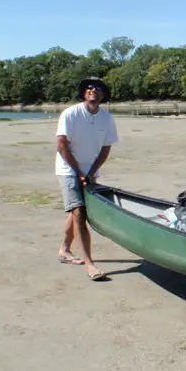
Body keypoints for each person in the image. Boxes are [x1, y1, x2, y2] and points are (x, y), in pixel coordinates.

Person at [55, 77, 119, 280]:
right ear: (84, 93)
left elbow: (106, 148)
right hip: (67, 169)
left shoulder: (107, 119)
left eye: (98, 88)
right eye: (89, 87)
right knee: (79, 212)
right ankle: (90, 264)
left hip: (90, 171)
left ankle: (64, 250)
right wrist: (79, 172)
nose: (93, 90)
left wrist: (91, 172)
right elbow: (62, 146)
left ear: (103, 95)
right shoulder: (71, 114)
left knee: (78, 211)